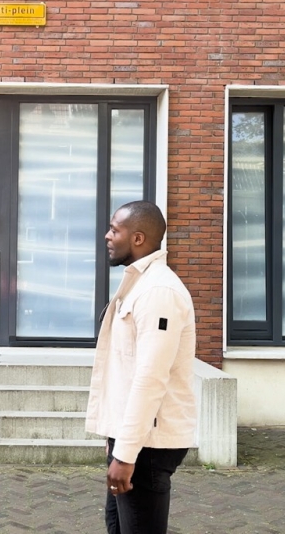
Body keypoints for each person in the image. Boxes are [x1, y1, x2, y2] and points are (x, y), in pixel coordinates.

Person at [85, 201, 197, 534]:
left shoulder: (159, 291)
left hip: (147, 445)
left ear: (137, 238)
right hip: (133, 440)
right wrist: (115, 438)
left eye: (114, 230)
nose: (107, 236)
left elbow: (150, 378)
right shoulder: (139, 283)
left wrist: (125, 454)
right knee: (116, 526)